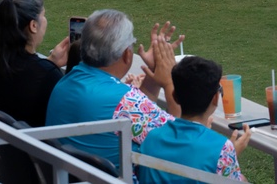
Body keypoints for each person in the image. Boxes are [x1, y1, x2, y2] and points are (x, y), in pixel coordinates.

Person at [46, 10, 182, 171]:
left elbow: (139, 115)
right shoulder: (126, 102)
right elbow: (181, 142)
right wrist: (169, 82)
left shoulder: (65, 82)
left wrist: (154, 71)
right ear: (127, 54)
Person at [138, 56, 250, 183]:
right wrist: (229, 156)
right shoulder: (221, 148)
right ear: (215, 98)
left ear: (174, 96)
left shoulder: (151, 137)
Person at [0, 0, 70, 127]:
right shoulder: (47, 76)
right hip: (28, 147)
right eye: (43, 15)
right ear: (33, 26)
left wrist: (50, 62)